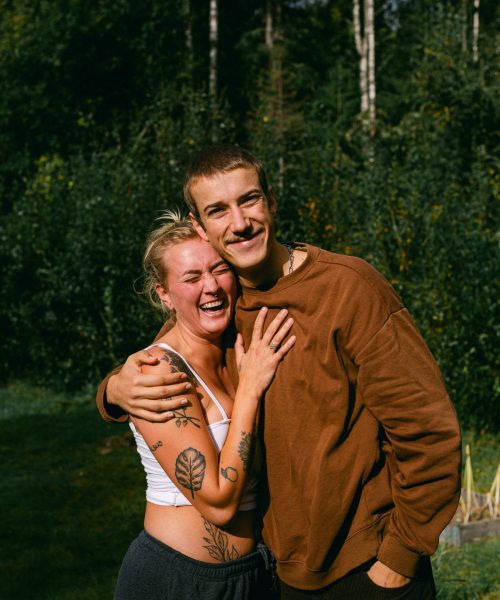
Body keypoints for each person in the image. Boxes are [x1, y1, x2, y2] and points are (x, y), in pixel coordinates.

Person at [98, 144, 462, 599]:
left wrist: (400, 556)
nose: (239, 222)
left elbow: (428, 430)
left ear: (270, 200)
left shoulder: (348, 289)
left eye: (248, 200)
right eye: (218, 210)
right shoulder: (223, 303)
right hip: (278, 577)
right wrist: (113, 389)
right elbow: (171, 352)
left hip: (366, 569)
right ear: (200, 225)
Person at [114, 212, 295, 599]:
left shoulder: (236, 351)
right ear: (163, 293)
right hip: (179, 581)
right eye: (192, 278)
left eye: (219, 270)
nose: (211, 287)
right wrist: (250, 391)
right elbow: (218, 504)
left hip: (254, 575)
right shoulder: (159, 371)